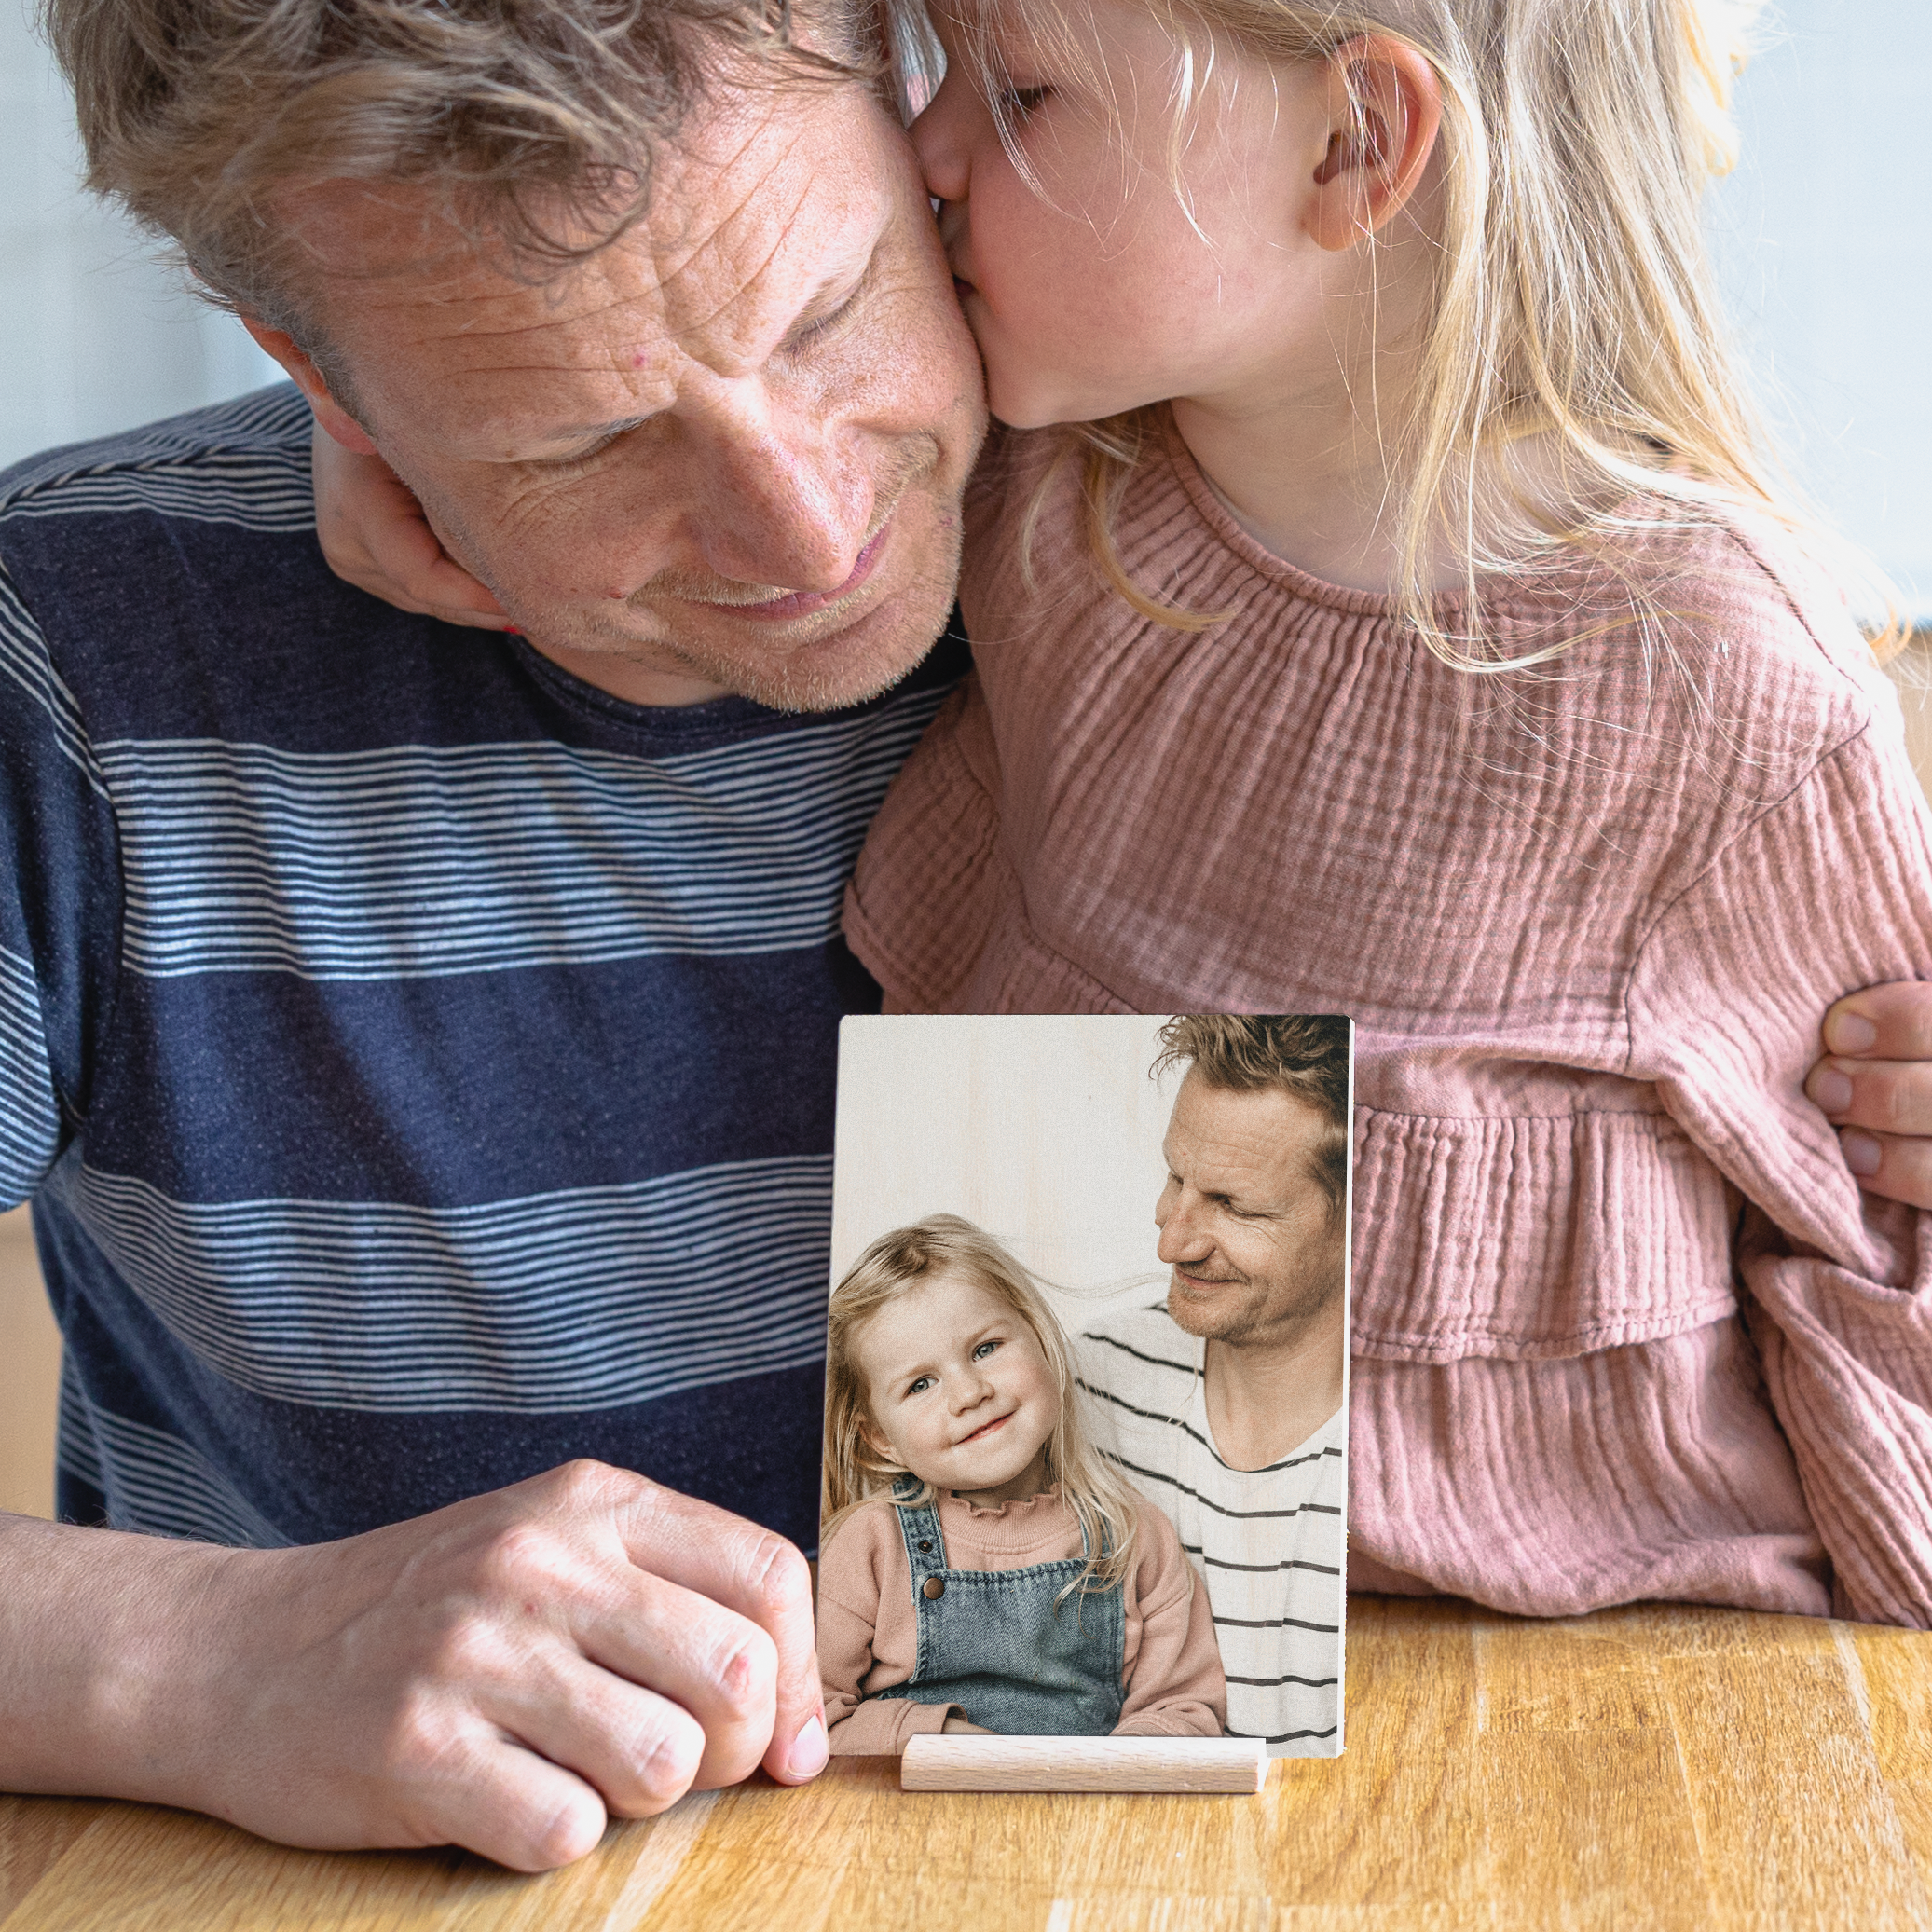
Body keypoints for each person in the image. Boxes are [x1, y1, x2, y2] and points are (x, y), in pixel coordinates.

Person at [0, 0, 988, 1870]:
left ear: (924, 103)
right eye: (589, 435)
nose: (810, 519)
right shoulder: (72, 664)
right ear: (321, 377)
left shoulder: (1258, 527)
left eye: (830, 307)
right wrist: (214, 1662)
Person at [835, 0, 1932, 1627]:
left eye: (1015, 94)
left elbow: (1879, 1256)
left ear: (1354, 144)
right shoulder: (1039, 506)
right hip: (1104, 1676)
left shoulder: (1718, 683)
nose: (919, 151)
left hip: (1619, 1677)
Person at [815, 1215, 1226, 1750]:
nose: (969, 1392)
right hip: (910, 1820)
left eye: (986, 1348)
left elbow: (1182, 1708)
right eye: (920, 1384)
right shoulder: (870, 1547)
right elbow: (809, 1717)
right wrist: (939, 1741)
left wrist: (1116, 1771)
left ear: (1039, 1339)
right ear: (881, 1439)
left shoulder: (1131, 1535)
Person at [1076, 1017, 1349, 1755]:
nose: (1170, 1239)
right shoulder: (1086, 1383)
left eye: (1232, 1204)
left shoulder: (1391, 1468)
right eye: (1175, 1178)